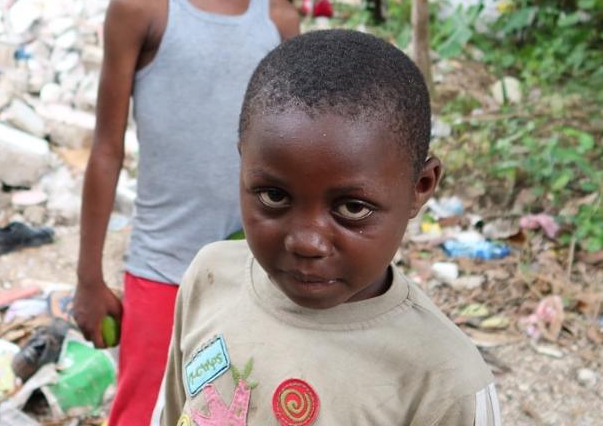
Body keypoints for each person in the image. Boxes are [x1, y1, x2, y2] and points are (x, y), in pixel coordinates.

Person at [73, 0, 300, 426]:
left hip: (249, 272)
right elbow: (104, 151)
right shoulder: (144, 5)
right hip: (161, 270)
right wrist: (89, 279)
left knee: (228, 409)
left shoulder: (278, 22)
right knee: (142, 410)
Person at [156, 30, 500, 426]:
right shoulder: (211, 278)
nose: (306, 242)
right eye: (273, 196)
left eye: (352, 208)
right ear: (243, 164)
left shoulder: (443, 379)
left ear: (419, 188)